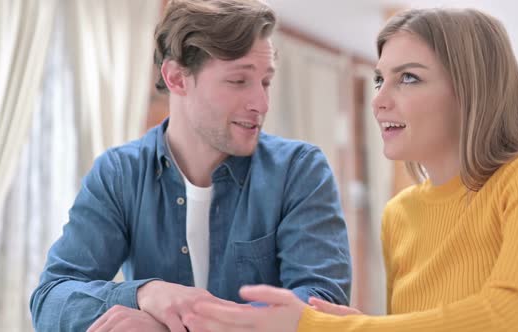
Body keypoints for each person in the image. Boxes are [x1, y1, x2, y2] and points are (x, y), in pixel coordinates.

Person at [189, 7, 518, 332]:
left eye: (408, 78)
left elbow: (512, 316)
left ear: (471, 89)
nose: (378, 100)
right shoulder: (399, 213)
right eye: (380, 79)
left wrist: (323, 327)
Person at [29, 0, 352, 331]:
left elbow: (324, 304)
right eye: (239, 81)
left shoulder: (299, 171)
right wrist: (147, 294)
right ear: (176, 78)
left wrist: (177, 324)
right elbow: (51, 298)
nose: (261, 103)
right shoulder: (119, 174)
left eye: (265, 82)